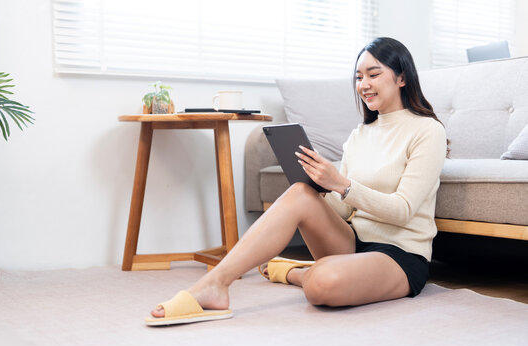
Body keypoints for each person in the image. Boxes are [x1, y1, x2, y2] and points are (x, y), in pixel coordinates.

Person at [146, 37, 447, 326]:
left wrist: (341, 184)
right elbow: (344, 212)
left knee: (320, 285)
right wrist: (320, 185)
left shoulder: (427, 131)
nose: (363, 85)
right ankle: (214, 284)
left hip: (400, 255)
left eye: (373, 74)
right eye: (358, 77)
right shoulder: (360, 135)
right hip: (352, 241)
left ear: (402, 78)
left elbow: (404, 210)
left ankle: (296, 272)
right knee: (300, 192)